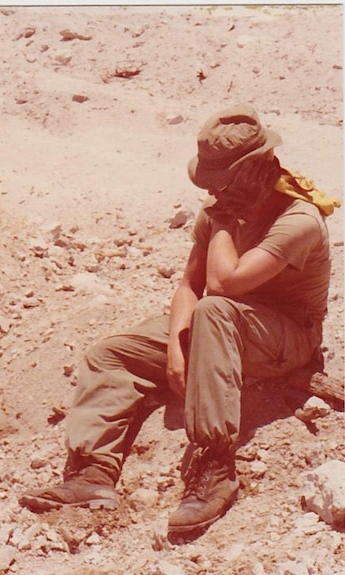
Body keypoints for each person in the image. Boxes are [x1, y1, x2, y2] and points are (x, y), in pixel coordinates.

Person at [18, 104, 340, 537]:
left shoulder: (297, 219)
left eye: (224, 180)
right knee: (111, 355)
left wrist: (226, 220)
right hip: (224, 326)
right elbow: (189, 285)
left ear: (256, 169)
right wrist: (174, 351)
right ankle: (93, 473)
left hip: (286, 337)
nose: (216, 191)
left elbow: (223, 285)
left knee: (215, 310)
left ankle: (216, 464)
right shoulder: (220, 209)